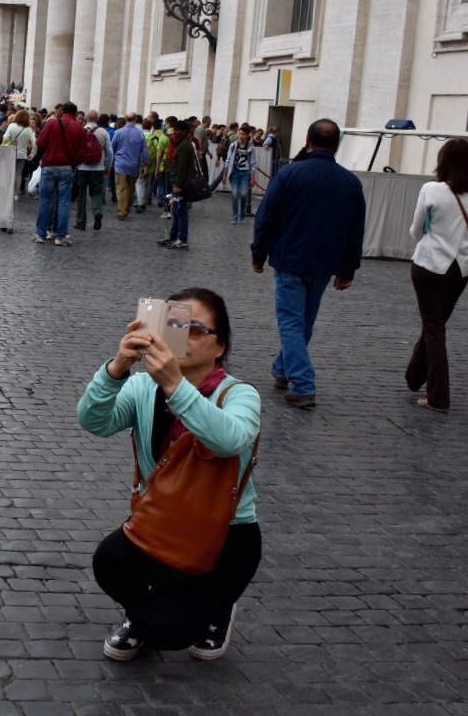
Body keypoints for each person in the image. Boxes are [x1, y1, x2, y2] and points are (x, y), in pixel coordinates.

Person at [78, 288, 261, 663]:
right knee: (109, 563)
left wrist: (176, 386)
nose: (184, 335)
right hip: (162, 520)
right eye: (175, 324)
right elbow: (93, 420)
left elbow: (229, 440)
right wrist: (116, 369)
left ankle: (216, 608)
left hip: (225, 535)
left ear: (220, 346)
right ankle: (142, 617)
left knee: (168, 630)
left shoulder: (241, 396)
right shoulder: (144, 386)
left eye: (197, 329)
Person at [251, 119, 366, 409]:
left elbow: (267, 217)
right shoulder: (350, 182)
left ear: (308, 140)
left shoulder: (289, 175)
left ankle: (303, 385)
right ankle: (282, 369)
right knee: (304, 322)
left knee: (291, 322)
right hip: (324, 264)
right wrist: (347, 268)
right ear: (337, 144)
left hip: (290, 259)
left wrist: (258, 254)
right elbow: (356, 229)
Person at [405, 140, 468, 413]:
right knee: (435, 323)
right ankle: (414, 376)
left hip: (429, 263)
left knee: (433, 326)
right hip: (460, 268)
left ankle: (438, 395)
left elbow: (416, 231)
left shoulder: (431, 189)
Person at [34, 103, 87, 246]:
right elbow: (83, 153)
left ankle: (41, 234)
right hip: (66, 168)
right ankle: (60, 236)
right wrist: (73, 164)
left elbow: (40, 143)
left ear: (62, 111)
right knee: (63, 202)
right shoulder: (80, 128)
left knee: (45, 200)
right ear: (75, 114)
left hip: (49, 165)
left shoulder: (52, 124)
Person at [159, 120, 197, 249]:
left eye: (178, 130)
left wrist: (178, 185)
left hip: (181, 184)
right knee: (175, 211)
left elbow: (182, 167)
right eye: (174, 129)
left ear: (185, 131)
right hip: (178, 182)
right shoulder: (181, 144)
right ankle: (173, 237)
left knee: (181, 212)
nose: (175, 132)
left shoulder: (185, 145)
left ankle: (182, 239)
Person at [75, 110, 110, 230]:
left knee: (81, 194)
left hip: (82, 167)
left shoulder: (80, 130)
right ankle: (97, 211)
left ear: (86, 118)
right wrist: (108, 167)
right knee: (97, 192)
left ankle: (81, 221)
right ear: (98, 119)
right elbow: (110, 152)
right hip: (98, 167)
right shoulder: (103, 132)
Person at [112, 114, 147, 221]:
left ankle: (122, 211)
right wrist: (146, 164)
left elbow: (112, 147)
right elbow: (145, 151)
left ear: (126, 119)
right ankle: (127, 208)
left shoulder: (118, 132)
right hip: (134, 165)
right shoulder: (140, 134)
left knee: (121, 189)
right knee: (131, 189)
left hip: (120, 164)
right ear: (136, 119)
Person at [224, 127, 257, 225]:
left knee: (243, 194)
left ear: (247, 135)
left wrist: (253, 178)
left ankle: (242, 209)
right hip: (234, 172)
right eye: (240, 133)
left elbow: (253, 163)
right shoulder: (233, 145)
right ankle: (235, 215)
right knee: (234, 194)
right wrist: (225, 175)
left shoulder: (251, 147)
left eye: (243, 134)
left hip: (245, 173)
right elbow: (228, 160)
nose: (241, 136)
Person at [2, 109, 36, 200]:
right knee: (19, 174)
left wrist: (3, 148)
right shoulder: (29, 129)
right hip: (22, 154)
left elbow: (5, 138)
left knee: (9, 172)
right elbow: (35, 143)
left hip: (10, 152)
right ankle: (16, 194)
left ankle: (8, 192)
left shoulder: (11, 125)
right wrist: (32, 154)